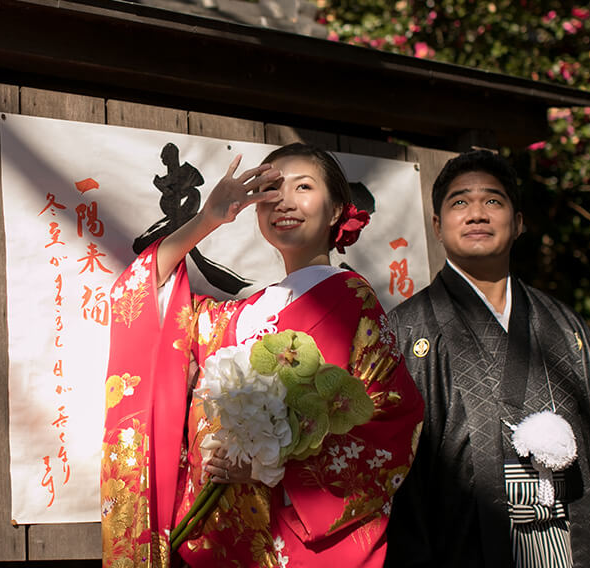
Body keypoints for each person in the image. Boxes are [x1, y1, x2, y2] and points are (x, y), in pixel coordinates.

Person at [101, 143, 424, 568]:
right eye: (271, 189)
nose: (284, 202)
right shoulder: (237, 316)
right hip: (219, 542)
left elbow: (394, 425)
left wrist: (270, 469)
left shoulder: (353, 303)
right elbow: (141, 291)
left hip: (295, 545)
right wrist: (209, 218)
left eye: (303, 187)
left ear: (335, 211)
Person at [385, 149, 590, 568]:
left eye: (493, 201)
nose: (476, 214)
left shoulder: (565, 329)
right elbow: (396, 481)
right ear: (436, 225)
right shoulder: (407, 331)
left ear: (518, 222)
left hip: (570, 546)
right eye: (459, 202)